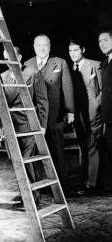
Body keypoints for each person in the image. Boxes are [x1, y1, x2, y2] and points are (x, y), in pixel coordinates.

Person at [25, 34, 75, 195]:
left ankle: (61, 188)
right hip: (35, 117)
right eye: (38, 45)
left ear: (50, 46)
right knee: (37, 153)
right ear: (34, 47)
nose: (42, 48)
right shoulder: (27, 64)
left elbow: (67, 88)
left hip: (55, 116)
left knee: (56, 152)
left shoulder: (60, 63)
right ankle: (43, 186)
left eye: (45, 45)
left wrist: (70, 110)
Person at [1, 46, 49, 206]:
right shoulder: (2, 77)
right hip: (12, 125)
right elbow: (1, 105)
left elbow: (42, 100)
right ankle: (26, 195)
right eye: (5, 58)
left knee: (26, 161)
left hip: (29, 125)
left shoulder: (32, 73)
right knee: (17, 162)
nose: (8, 62)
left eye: (11, 58)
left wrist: (42, 125)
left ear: (20, 57)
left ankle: (32, 197)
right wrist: (2, 125)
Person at [68, 39, 102, 194]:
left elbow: (103, 88)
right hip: (78, 114)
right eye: (70, 51)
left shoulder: (95, 65)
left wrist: (96, 104)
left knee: (92, 145)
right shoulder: (69, 69)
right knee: (84, 146)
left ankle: (91, 184)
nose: (73, 54)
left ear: (83, 50)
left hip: (93, 112)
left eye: (76, 50)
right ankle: (85, 181)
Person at [98, 30, 112, 186]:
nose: (102, 43)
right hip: (108, 117)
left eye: (106, 40)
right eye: (100, 41)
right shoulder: (105, 62)